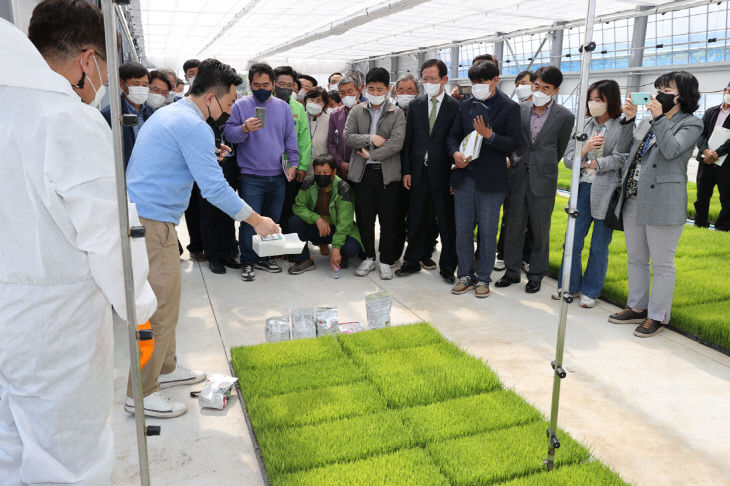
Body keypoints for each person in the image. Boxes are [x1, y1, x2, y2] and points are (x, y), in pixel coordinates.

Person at [0, 1, 156, 482]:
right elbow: (109, 235)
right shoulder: (66, 119)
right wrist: (140, 312)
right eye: (106, 69)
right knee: (70, 457)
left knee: (9, 442)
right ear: (89, 59)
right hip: (53, 322)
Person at [126, 58, 278, 417]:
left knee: (168, 299)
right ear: (210, 97)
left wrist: (209, 153)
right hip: (150, 222)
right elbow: (214, 189)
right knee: (157, 308)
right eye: (226, 105)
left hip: (152, 218)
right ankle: (141, 392)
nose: (226, 114)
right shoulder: (193, 125)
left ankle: (167, 367)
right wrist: (256, 220)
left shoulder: (176, 115)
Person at [608, 71, 703, 338]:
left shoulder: (691, 124)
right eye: (658, 87)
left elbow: (672, 150)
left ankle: (657, 316)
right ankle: (636, 307)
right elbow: (626, 149)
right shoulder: (649, 121)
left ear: (682, 95)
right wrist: (629, 119)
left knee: (662, 264)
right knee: (636, 258)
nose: (660, 92)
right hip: (634, 198)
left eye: (667, 89)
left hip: (664, 203)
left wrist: (660, 118)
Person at [496, 65, 575, 294]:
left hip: (544, 179)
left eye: (545, 88)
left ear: (556, 90)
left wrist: (542, 164)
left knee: (540, 230)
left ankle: (536, 275)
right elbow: (514, 141)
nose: (539, 90)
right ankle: (511, 272)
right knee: (513, 226)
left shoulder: (565, 117)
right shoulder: (519, 109)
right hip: (518, 175)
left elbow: (559, 149)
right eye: (537, 86)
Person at [446, 61, 520, 297]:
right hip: (464, 177)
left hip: (491, 180)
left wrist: (490, 136)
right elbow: (453, 135)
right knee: (463, 229)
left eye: (482, 82)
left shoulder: (509, 107)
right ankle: (465, 274)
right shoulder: (466, 105)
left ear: (495, 80)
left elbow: (513, 143)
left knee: (488, 231)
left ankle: (484, 278)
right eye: (474, 82)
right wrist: (455, 153)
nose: (477, 86)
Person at [553, 80, 628, 308]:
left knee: (598, 245)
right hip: (582, 189)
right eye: (591, 99)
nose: (594, 104)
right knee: (572, 243)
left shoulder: (622, 125)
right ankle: (569, 285)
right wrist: (584, 150)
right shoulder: (584, 124)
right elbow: (567, 159)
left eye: (599, 100)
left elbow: (621, 157)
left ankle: (591, 290)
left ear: (611, 101)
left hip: (607, 191)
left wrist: (595, 163)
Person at [222, 62, 299, 281]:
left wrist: (293, 164)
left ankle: (265, 256)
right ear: (250, 84)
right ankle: (247, 260)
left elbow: (290, 140)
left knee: (271, 221)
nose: (261, 88)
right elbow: (228, 134)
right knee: (250, 221)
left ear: (274, 84)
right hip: (251, 176)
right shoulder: (240, 106)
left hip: (278, 175)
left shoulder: (283, 107)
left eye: (266, 84)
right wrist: (244, 129)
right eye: (256, 84)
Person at [396, 60, 460, 283]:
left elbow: (458, 142)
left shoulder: (455, 107)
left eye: (433, 78)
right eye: (425, 78)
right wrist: (407, 170)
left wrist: (455, 175)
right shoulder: (416, 105)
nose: (428, 82)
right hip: (418, 172)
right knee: (415, 219)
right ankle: (411, 261)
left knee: (446, 222)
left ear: (444, 79)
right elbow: (409, 140)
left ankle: (448, 266)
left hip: (443, 173)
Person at [343, 67, 406, 280]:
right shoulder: (357, 110)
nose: (376, 93)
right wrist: (371, 138)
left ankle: (386, 260)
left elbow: (397, 143)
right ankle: (368, 256)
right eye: (371, 88)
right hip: (362, 174)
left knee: (388, 219)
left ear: (388, 89)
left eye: (380, 89)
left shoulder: (396, 113)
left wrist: (372, 154)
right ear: (364, 88)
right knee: (364, 218)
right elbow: (348, 137)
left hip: (387, 174)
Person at [391, 73, 439, 269]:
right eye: (401, 90)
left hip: (420, 171)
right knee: (395, 215)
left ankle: (424, 252)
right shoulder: (389, 112)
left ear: (418, 92)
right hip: (395, 172)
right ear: (394, 92)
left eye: (410, 90)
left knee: (425, 215)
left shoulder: (423, 111)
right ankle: (393, 252)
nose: (405, 94)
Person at [288, 155, 364, 274]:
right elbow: (298, 206)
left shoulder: (344, 189)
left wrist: (336, 248)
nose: (321, 175)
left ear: (334, 172)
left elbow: (344, 223)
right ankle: (304, 260)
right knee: (294, 221)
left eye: (325, 172)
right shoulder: (309, 183)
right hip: (319, 228)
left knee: (351, 249)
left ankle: (340, 254)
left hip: (337, 229)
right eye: (318, 172)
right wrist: (317, 219)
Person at [495, 69, 537, 270]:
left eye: (525, 83)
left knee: (532, 218)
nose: (521, 87)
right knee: (510, 214)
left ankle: (526, 257)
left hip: (534, 172)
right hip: (513, 169)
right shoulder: (514, 109)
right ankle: (503, 254)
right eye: (518, 83)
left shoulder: (543, 111)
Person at [273, 66, 312, 235]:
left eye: (290, 85)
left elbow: (304, 139)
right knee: (270, 207)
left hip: (291, 167)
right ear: (273, 84)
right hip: (267, 167)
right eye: (281, 84)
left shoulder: (298, 109)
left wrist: (302, 166)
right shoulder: (262, 106)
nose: (286, 88)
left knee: (287, 206)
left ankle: (287, 244)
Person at [101, 61, 154, 169]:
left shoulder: (151, 113)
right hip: (125, 175)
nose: (141, 88)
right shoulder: (111, 115)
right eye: (135, 84)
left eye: (145, 85)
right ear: (121, 84)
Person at [694, 82, 730, 231]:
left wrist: (717, 152)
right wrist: (705, 151)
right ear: (725, 91)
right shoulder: (711, 112)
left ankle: (722, 228)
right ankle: (700, 224)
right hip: (706, 161)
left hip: (726, 163)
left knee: (727, 199)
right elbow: (700, 133)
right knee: (702, 197)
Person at [328, 72, 363, 179]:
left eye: (350, 91)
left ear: (359, 91)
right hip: (341, 169)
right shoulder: (335, 115)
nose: (346, 96)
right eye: (342, 93)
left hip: (363, 167)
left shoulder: (368, 112)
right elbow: (331, 143)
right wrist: (341, 163)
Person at [305, 87, 331, 172]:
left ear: (324, 104)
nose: (314, 103)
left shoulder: (329, 121)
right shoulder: (300, 118)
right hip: (302, 167)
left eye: (318, 101)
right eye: (311, 100)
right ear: (306, 101)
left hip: (322, 169)